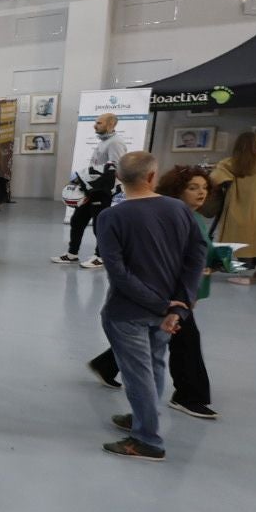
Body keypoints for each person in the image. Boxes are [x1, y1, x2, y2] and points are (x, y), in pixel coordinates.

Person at [93, 152, 207, 461]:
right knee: (154, 364)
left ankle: (147, 439)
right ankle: (143, 417)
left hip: (127, 311)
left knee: (137, 374)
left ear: (119, 179)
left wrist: (161, 304)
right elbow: (196, 256)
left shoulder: (110, 217)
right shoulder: (179, 210)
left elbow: (117, 271)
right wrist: (178, 305)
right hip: (167, 310)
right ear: (152, 176)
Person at [207, 130, 256, 284]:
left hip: (241, 203)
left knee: (242, 235)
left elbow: (216, 179)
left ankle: (244, 272)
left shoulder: (228, 163)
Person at [52, 112, 127, 269]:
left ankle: (101, 256)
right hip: (92, 188)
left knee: (99, 225)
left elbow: (115, 168)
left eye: (99, 123)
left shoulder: (115, 143)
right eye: (96, 122)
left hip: (103, 190)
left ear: (111, 125)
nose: (95, 125)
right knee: (77, 220)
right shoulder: (104, 141)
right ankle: (72, 254)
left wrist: (95, 182)